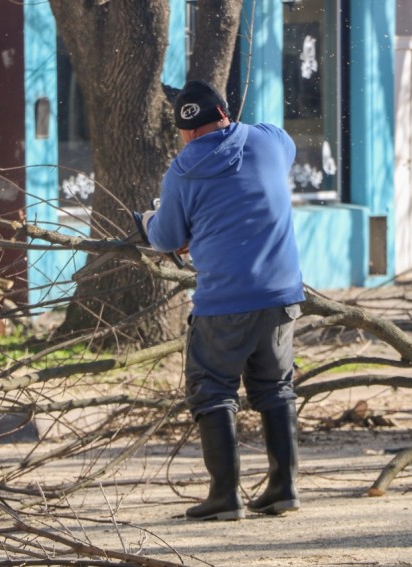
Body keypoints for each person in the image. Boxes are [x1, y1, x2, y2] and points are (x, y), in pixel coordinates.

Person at [138, 80, 305, 521]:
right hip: (281, 293)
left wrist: (151, 220)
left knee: (212, 389)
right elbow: (271, 165)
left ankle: (224, 496)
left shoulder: (183, 169)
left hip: (224, 300)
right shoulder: (269, 140)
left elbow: (168, 238)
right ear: (225, 113)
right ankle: (283, 487)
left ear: (187, 132)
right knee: (274, 387)